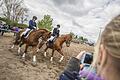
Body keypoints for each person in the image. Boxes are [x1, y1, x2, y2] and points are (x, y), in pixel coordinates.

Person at [59, 14, 120, 80]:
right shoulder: (56, 30)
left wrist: (71, 69)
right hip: (56, 35)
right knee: (52, 38)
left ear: (102, 55)